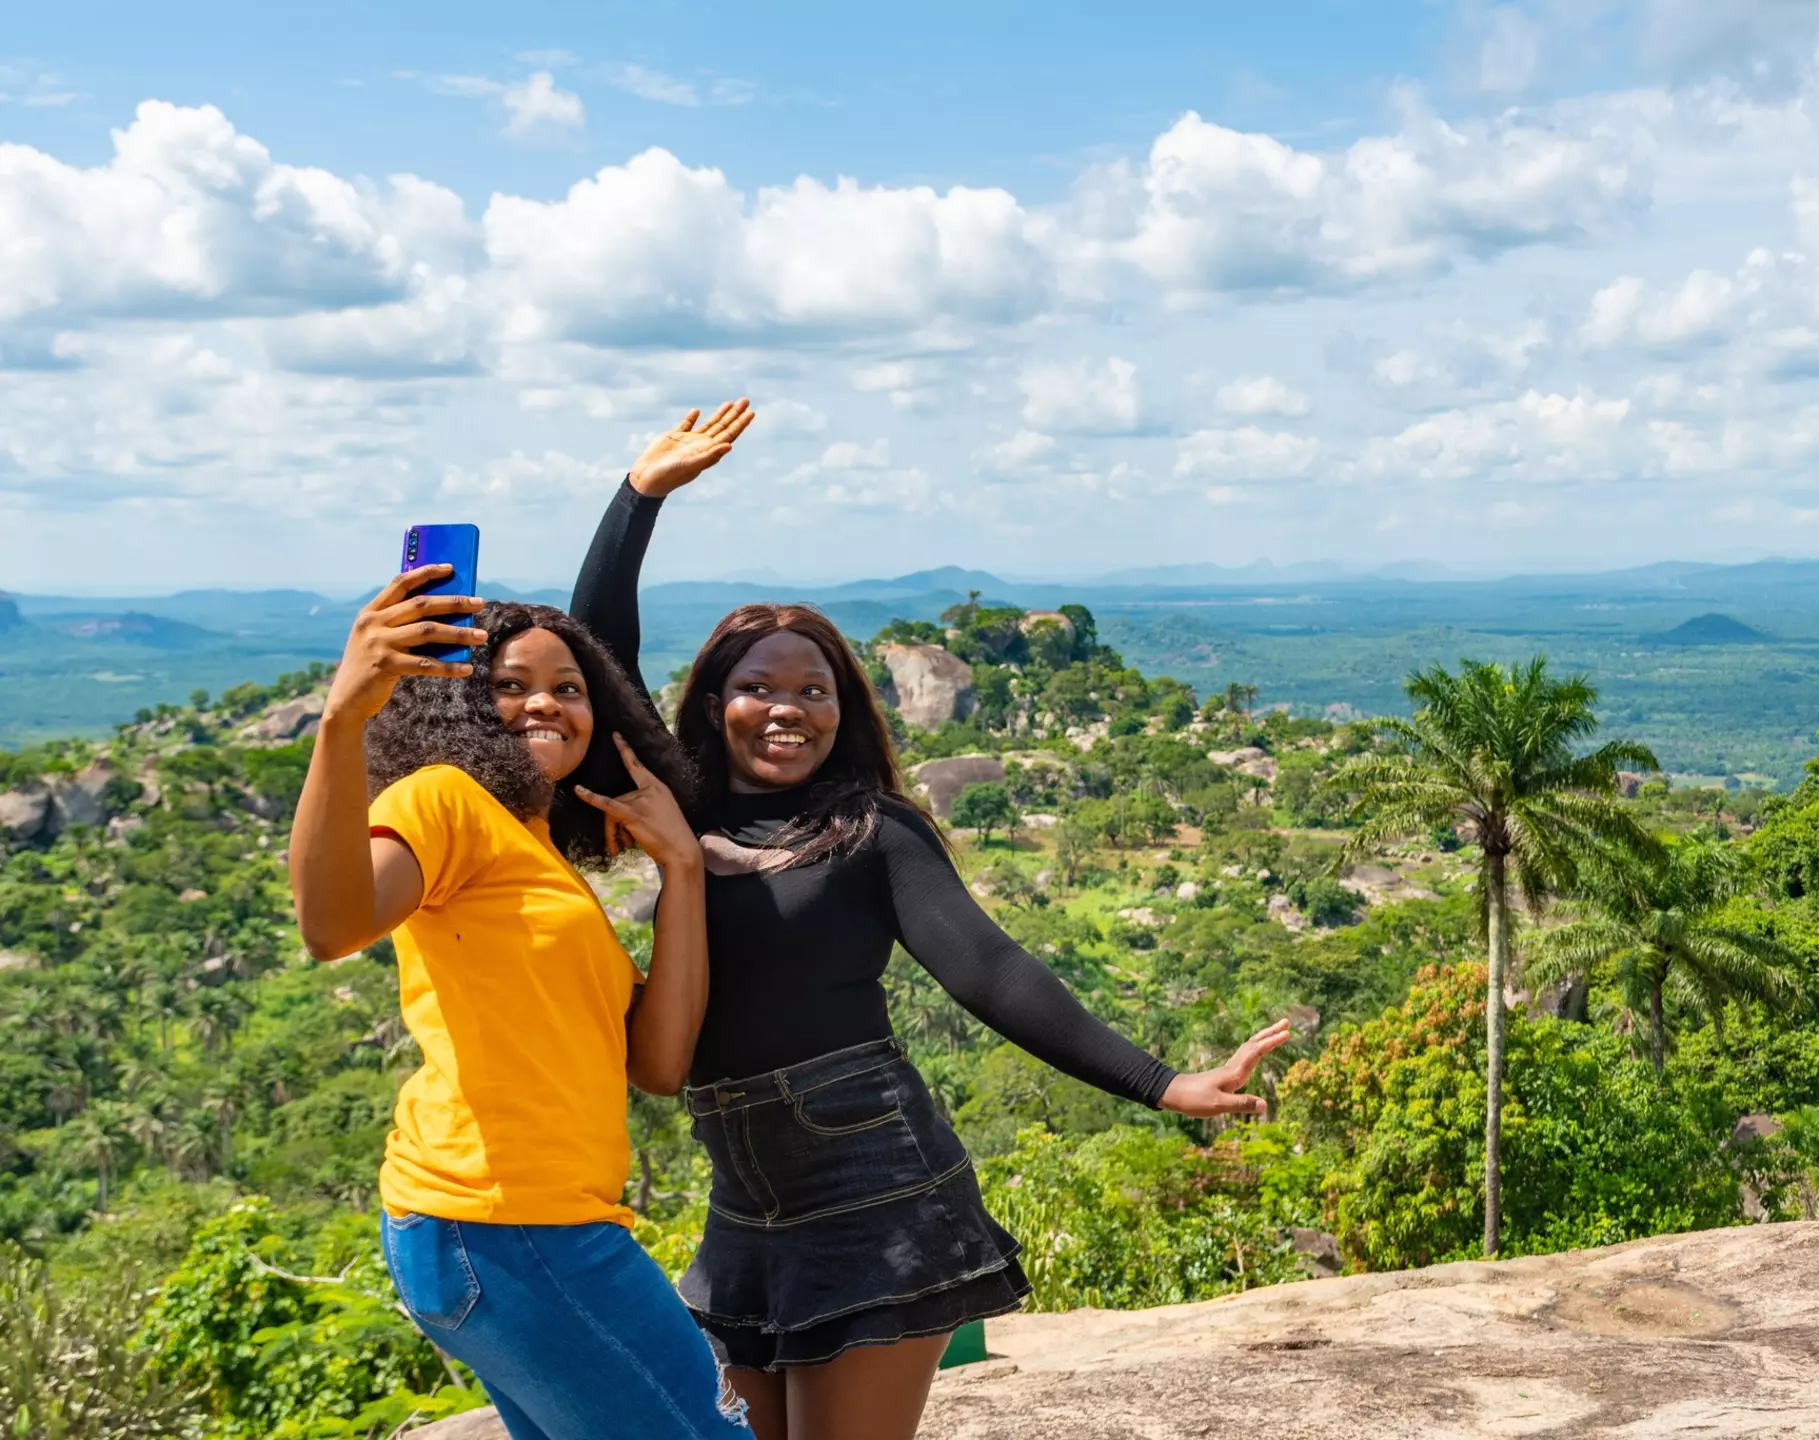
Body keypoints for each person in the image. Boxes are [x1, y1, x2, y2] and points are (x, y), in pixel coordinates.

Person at [568, 416, 1291, 1440]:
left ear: (844, 708)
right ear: (712, 702)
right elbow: (597, 663)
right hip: (743, 1202)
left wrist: (1161, 1084)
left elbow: (990, 971)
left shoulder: (873, 831)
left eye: (811, 691)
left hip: (873, 1184)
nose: (787, 710)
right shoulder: (680, 814)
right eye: (757, 688)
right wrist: (638, 496)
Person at [288, 401, 759, 1440]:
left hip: (527, 1227)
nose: (545, 704)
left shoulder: (543, 859)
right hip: (501, 1223)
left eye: (567, 687)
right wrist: (341, 718)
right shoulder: (444, 803)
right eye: (508, 688)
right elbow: (331, 925)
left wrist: (680, 868)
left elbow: (658, 1064)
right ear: (457, 705)